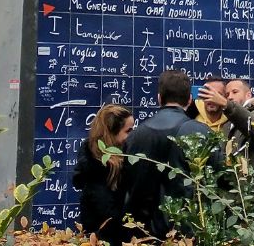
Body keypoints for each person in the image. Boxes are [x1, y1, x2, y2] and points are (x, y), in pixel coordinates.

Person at [121, 70, 210, 239]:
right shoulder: (203, 133)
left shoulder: (136, 135)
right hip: (190, 232)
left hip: (144, 233)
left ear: (159, 98)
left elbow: (128, 184)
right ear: (190, 100)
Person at [72, 104, 134, 245]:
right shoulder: (100, 171)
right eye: (129, 130)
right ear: (112, 133)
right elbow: (109, 218)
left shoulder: (96, 164)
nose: (133, 135)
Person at [201, 78, 254, 179]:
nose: (230, 97)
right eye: (227, 94)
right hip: (234, 189)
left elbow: (252, 124)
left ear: (248, 95)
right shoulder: (228, 124)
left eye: (235, 92)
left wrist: (226, 104)